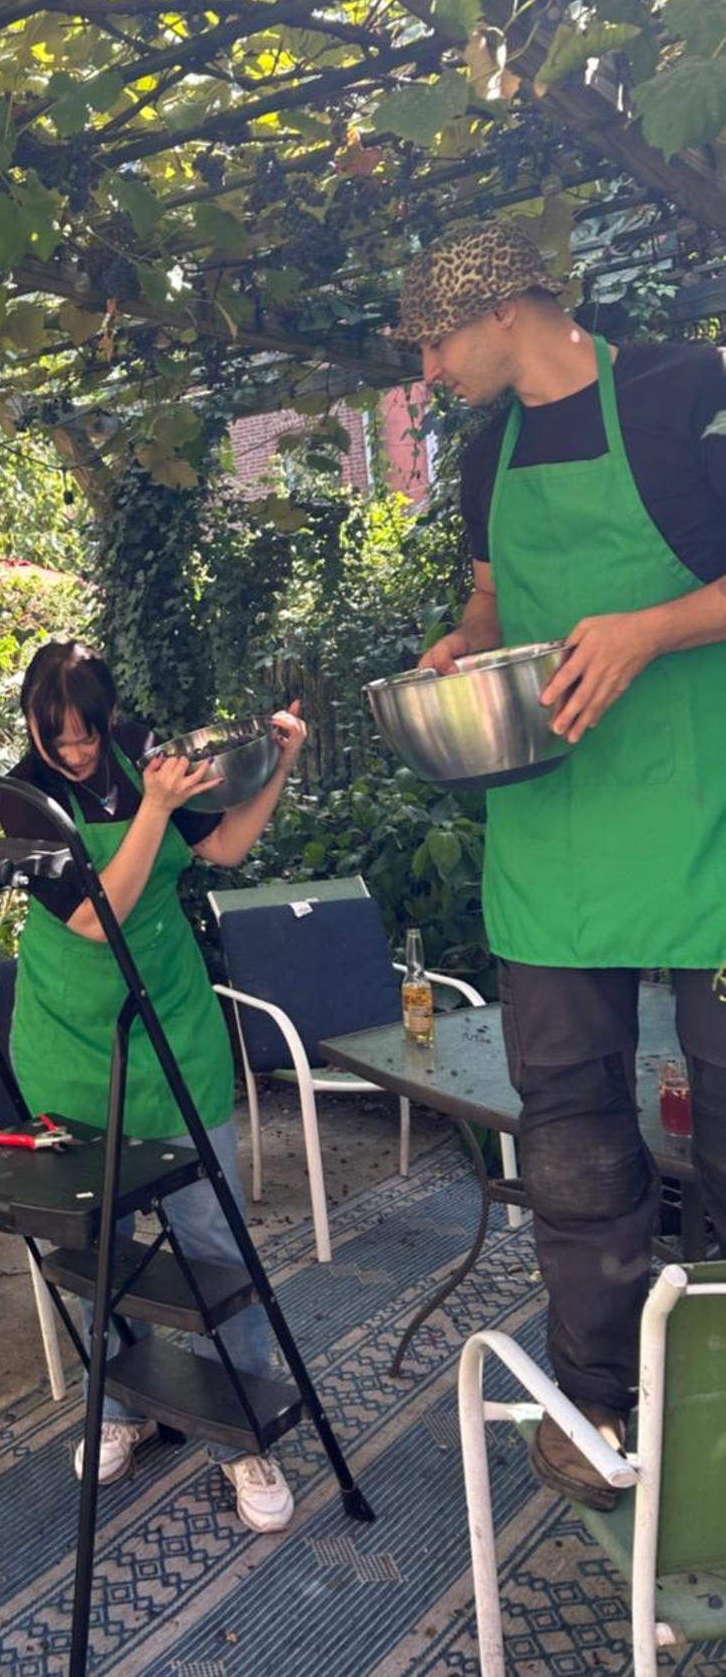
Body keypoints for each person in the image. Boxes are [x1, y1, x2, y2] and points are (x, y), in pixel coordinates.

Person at [399, 218, 726, 1510]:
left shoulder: (683, 392)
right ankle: (599, 1395)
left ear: (502, 308)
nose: (428, 366)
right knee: (575, 1132)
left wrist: (652, 630)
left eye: (436, 336)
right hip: (554, 833)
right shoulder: (487, 458)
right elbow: (495, 603)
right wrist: (459, 645)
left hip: (705, 818)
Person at [0, 641, 307, 1530]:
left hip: (173, 1026)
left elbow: (229, 847)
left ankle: (245, 1432)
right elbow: (98, 915)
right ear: (32, 725)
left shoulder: (144, 756)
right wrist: (154, 809)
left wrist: (276, 765)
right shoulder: (23, 797)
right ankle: (121, 1407)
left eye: (89, 735)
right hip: (71, 1042)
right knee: (102, 1247)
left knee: (214, 1238)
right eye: (60, 737)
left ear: (108, 719)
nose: (80, 752)